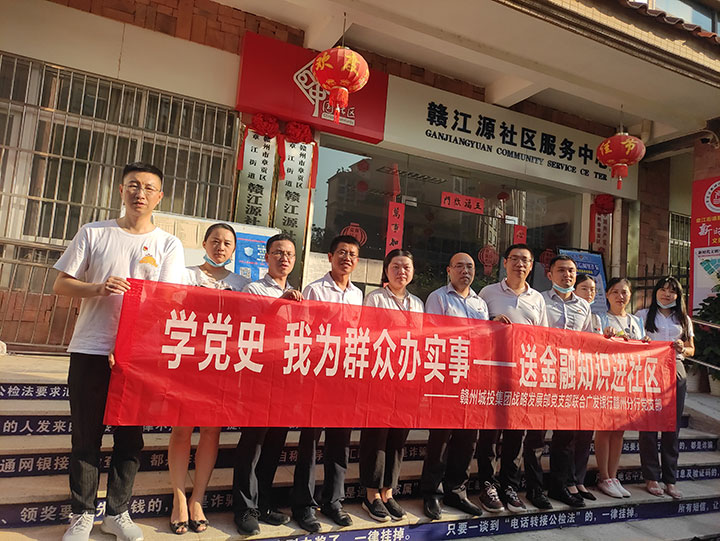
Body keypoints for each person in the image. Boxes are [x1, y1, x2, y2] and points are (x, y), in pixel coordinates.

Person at [53, 162, 185, 541]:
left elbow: (165, 302)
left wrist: (128, 346)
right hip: (90, 348)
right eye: (133, 185)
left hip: (137, 357)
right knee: (86, 435)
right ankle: (82, 514)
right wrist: (97, 288)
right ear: (121, 190)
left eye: (148, 188)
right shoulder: (94, 232)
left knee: (129, 438)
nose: (140, 193)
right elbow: (62, 284)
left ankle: (117, 512)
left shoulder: (167, 244)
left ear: (159, 197)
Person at [168, 223, 248, 535]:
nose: (220, 247)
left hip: (220, 365)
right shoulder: (184, 276)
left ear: (234, 249)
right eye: (215, 241)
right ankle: (178, 498)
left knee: (211, 431)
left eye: (227, 243)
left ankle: (197, 498)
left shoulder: (242, 284)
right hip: (187, 361)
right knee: (181, 430)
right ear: (204, 243)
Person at [291, 235, 364, 532]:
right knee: (310, 442)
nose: (347, 258)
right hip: (318, 376)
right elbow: (305, 331)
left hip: (346, 376)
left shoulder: (358, 295)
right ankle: (304, 505)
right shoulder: (314, 289)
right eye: (342, 252)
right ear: (330, 257)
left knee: (339, 442)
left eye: (352, 254)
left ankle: (333, 501)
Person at [232, 233, 301, 535]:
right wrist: (278, 304)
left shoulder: (298, 294)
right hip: (259, 376)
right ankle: (244, 508)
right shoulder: (254, 289)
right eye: (278, 253)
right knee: (253, 443)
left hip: (286, 377)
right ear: (266, 257)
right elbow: (250, 328)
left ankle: (264, 504)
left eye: (289, 254)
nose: (284, 258)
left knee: (274, 443)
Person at [477, 243, 548, 514]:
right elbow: (476, 327)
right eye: (515, 259)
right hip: (493, 373)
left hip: (522, 376)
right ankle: (487, 485)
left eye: (525, 260)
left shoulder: (537, 299)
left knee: (516, 434)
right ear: (504, 263)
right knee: (490, 434)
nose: (520, 264)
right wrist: (492, 320)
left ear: (531, 266)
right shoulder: (488, 293)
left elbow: (543, 338)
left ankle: (509, 485)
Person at [421, 253, 488, 520]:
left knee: (467, 439)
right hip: (446, 377)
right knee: (441, 438)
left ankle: (457, 491)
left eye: (469, 266)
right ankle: (432, 492)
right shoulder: (438, 298)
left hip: (474, 378)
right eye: (459, 266)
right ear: (449, 270)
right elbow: (433, 336)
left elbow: (484, 339)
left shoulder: (480, 303)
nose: (465, 271)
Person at [360, 249, 424, 522]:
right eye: (396, 266)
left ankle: (388, 491)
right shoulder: (375, 298)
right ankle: (371, 493)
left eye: (406, 267)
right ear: (386, 270)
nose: (401, 272)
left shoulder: (417, 303)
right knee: (377, 435)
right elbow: (367, 335)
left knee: (398, 437)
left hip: (407, 378)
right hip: (380, 376)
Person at [541, 255, 592, 509]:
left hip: (571, 377)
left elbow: (589, 340)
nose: (567, 275)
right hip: (543, 373)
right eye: (561, 270)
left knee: (565, 436)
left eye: (571, 270)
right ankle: (533, 487)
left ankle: (559, 485)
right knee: (537, 434)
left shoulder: (583, 306)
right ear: (550, 275)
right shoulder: (539, 299)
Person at [636, 276, 694, 500]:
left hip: (675, 369)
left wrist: (683, 348)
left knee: (672, 426)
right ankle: (651, 477)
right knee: (648, 424)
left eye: (672, 291)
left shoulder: (684, 319)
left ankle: (670, 479)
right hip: (650, 370)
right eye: (663, 289)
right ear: (656, 292)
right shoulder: (642, 315)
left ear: (678, 296)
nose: (667, 294)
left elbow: (691, 349)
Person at [595, 277, 647, 499]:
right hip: (607, 381)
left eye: (624, 292)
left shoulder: (636, 321)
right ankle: (603, 476)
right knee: (604, 428)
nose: (620, 296)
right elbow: (594, 347)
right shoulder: (600, 319)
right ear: (607, 295)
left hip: (629, 382)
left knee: (619, 430)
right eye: (615, 292)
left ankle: (614, 475)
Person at [564, 273, 600, 501]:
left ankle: (579, 479)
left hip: (588, 377)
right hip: (563, 375)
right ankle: (567, 480)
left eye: (593, 289)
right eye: (585, 288)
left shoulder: (597, 317)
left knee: (586, 432)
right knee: (568, 433)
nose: (589, 293)